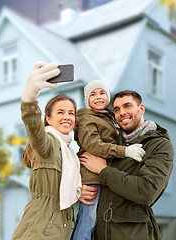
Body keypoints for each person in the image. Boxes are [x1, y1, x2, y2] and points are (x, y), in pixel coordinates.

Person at [80, 90, 174, 240]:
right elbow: (84, 163)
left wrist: (103, 170)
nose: (121, 112)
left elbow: (146, 191)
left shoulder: (159, 145)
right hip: (99, 232)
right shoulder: (111, 143)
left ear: (141, 109)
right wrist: (79, 189)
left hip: (133, 233)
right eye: (116, 109)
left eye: (127, 106)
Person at [11, 62, 82, 240]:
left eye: (71, 113)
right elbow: (34, 128)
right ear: (48, 119)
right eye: (61, 112)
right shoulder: (49, 143)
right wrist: (30, 95)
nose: (67, 117)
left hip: (58, 229)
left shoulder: (70, 154)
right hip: (39, 231)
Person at [71, 81, 145, 240]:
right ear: (87, 100)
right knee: (88, 220)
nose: (98, 97)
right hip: (92, 177)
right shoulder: (86, 118)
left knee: (97, 222)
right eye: (93, 94)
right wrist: (125, 151)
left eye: (102, 93)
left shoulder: (106, 117)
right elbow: (94, 145)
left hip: (104, 175)